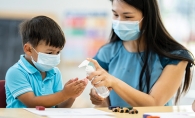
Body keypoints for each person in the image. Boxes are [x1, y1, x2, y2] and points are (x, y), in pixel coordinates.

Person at [87, 0, 194, 107]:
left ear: (148, 17)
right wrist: (99, 96)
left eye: (128, 17)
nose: (119, 21)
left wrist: (113, 82)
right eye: (115, 14)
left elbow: (154, 103)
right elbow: (105, 105)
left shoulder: (174, 56)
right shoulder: (107, 52)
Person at [5, 16, 88, 108]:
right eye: (49, 52)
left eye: (58, 52)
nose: (54, 56)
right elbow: (32, 102)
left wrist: (71, 96)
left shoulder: (55, 73)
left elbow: (59, 108)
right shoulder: (15, 72)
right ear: (28, 49)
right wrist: (64, 94)